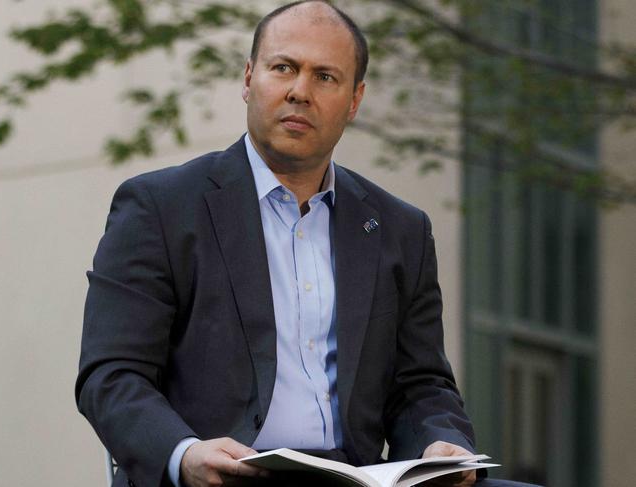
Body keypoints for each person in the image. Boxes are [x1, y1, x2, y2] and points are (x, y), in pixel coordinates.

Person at [76, 2, 540, 487]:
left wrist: (439, 441)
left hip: (355, 475)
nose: (300, 91)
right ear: (249, 78)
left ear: (355, 100)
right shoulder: (161, 207)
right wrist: (185, 453)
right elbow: (112, 376)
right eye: (284, 68)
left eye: (325, 77)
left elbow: (421, 385)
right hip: (225, 473)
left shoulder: (401, 230)